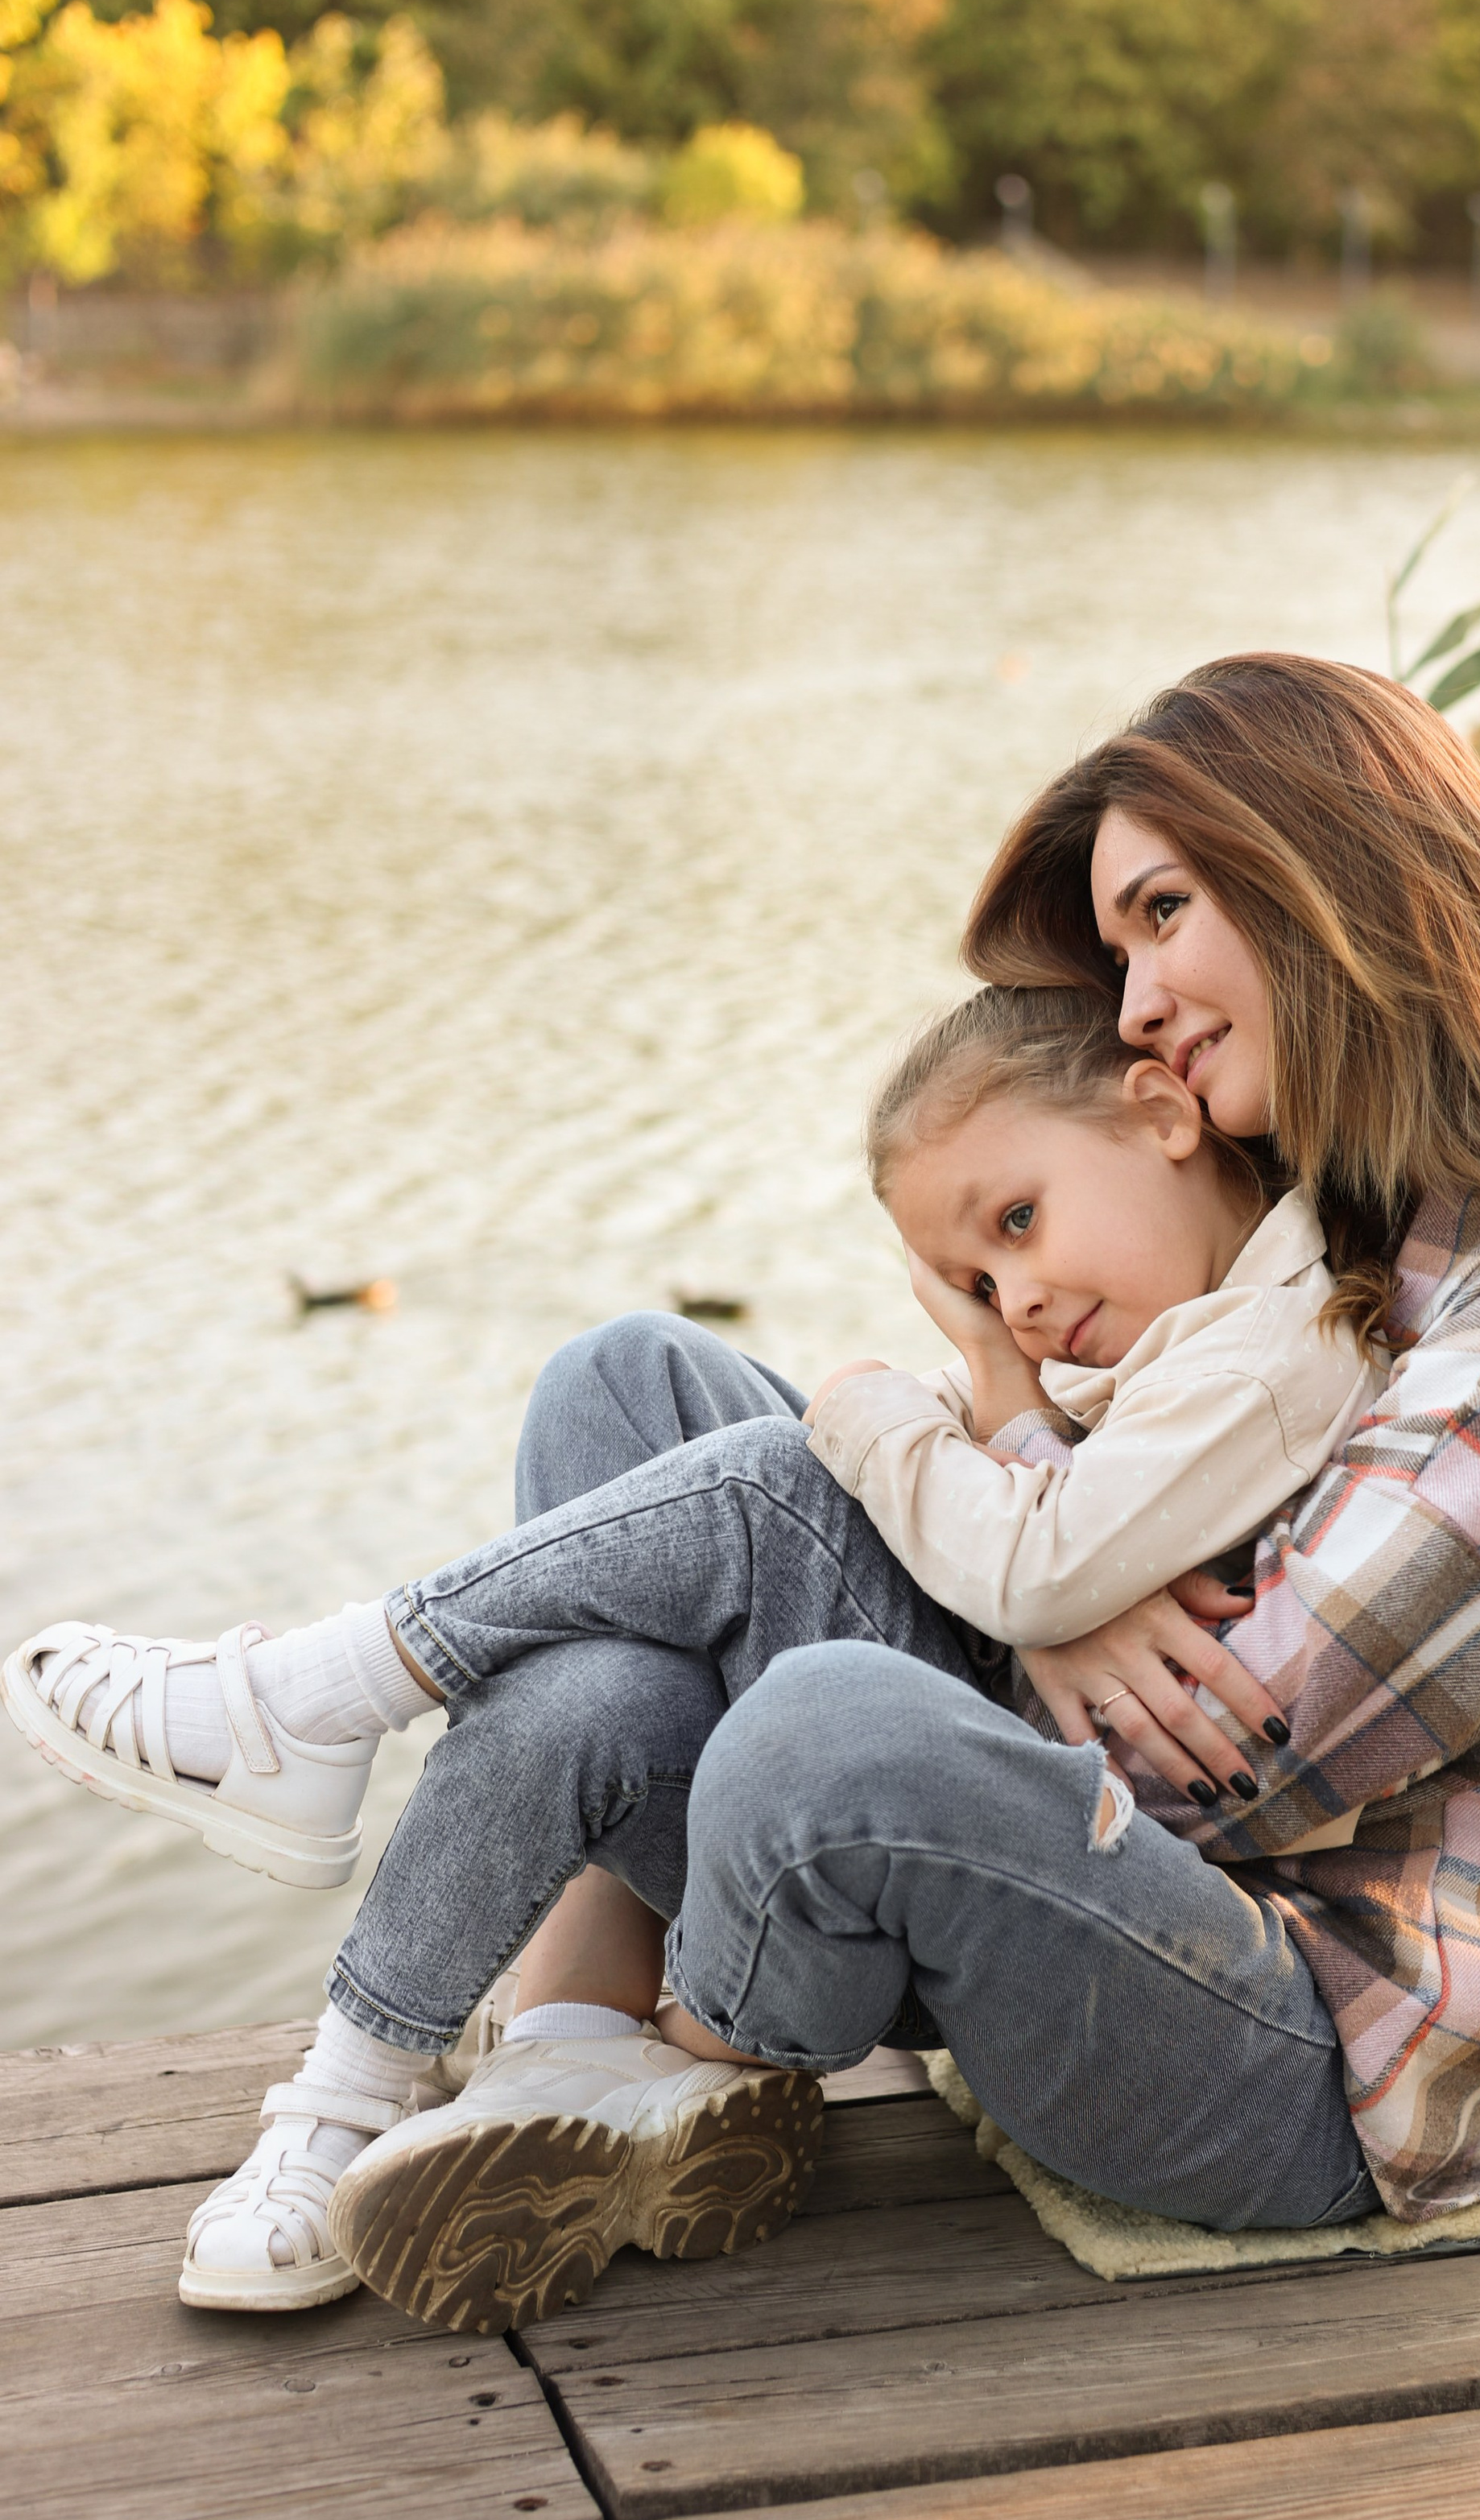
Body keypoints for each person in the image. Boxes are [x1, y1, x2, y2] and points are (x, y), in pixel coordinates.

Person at [14, 651, 1480, 2337]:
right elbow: (1130, 1510)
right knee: (628, 1388)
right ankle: (566, 2045)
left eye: (1163, 913)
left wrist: (1029, 1557)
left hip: (1276, 2046)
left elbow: (1226, 1765)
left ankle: (339, 1723)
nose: (1139, 1005)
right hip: (1084, 1870)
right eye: (1121, 944)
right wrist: (1027, 1483)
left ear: (1336, 874)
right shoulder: (1352, 1211)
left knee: (821, 1680)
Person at [7, 980, 1381, 2324]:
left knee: (773, 1483)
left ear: (1162, 1114)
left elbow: (1031, 1563)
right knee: (620, 1389)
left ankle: (322, 1697)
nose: (1012, 1299)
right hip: (955, 1744)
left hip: (1006, 1857)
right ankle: (433, 2065)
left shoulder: (1265, 1356)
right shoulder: (1145, 1330)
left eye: (1018, 1224)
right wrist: (1002, 1410)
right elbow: (1038, 1530)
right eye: (973, 1278)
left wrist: (870, 1402)